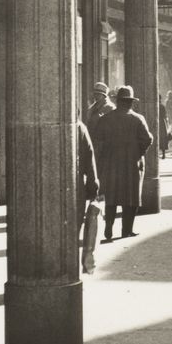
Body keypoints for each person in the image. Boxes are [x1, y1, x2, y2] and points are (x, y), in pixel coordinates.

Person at [93, 84, 153, 241]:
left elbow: (98, 141)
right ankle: (127, 230)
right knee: (130, 198)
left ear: (118, 101)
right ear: (131, 102)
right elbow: (147, 139)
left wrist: (104, 158)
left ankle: (108, 229)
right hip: (132, 165)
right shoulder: (138, 119)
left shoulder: (105, 119)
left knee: (111, 197)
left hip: (111, 165)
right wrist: (139, 153)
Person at [77, 114, 101, 273]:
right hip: (74, 186)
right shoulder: (79, 128)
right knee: (73, 231)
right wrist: (93, 190)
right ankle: (71, 271)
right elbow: (89, 159)